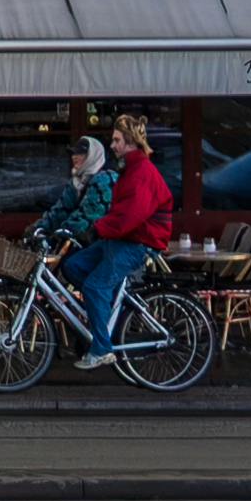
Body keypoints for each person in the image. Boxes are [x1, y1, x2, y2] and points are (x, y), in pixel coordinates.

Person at [62, 115, 177, 356]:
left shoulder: (142, 172)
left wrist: (95, 230)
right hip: (121, 239)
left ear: (130, 142)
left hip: (137, 243)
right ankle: (104, 313)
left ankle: (102, 348)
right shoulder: (130, 169)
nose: (112, 145)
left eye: (117, 140)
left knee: (94, 288)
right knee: (73, 266)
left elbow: (129, 216)